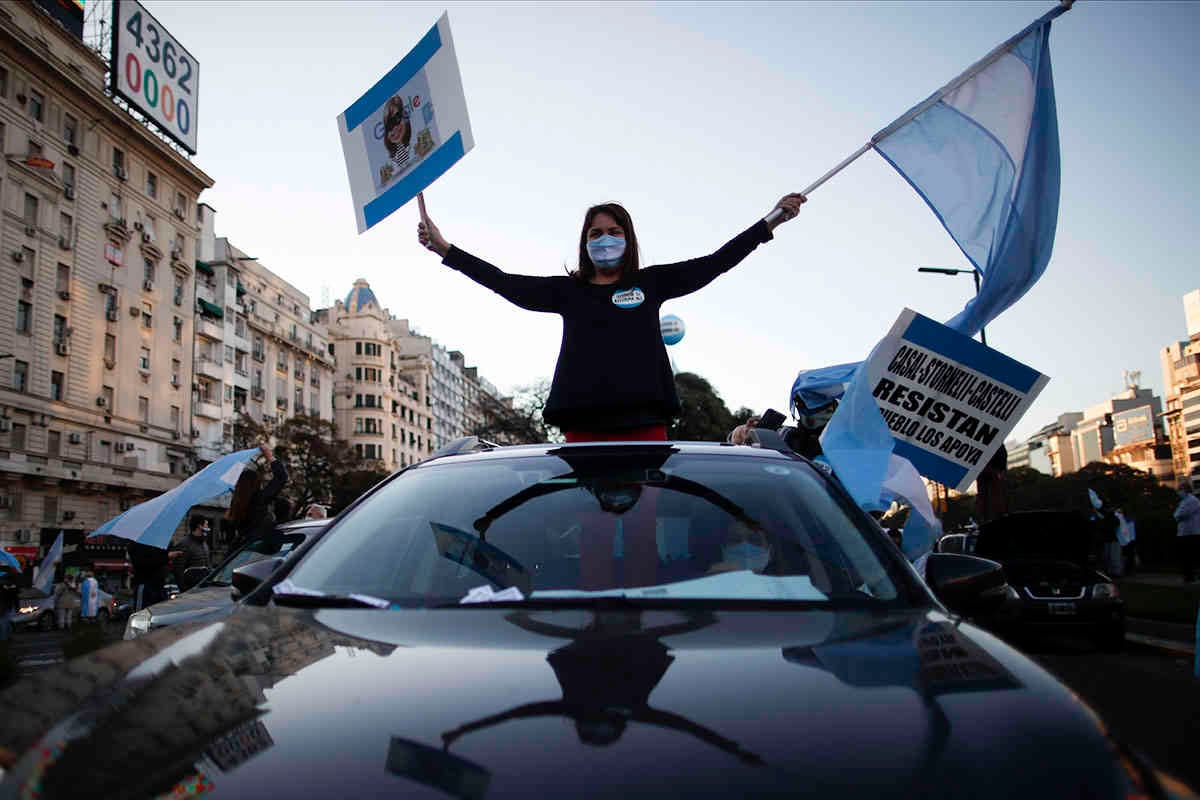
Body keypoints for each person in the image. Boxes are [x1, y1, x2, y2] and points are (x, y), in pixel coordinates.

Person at [418, 193, 807, 441]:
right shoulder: (567, 291)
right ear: (585, 243)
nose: (604, 239)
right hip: (583, 427)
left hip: (646, 423)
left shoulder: (652, 283)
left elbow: (716, 262)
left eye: (614, 231)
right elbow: (503, 281)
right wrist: (444, 249)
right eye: (595, 233)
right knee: (594, 534)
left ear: (628, 238)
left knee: (642, 530)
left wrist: (769, 221)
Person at [225, 443, 289, 550]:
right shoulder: (259, 500)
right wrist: (268, 455)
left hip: (243, 552)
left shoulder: (236, 505)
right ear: (256, 484)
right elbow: (281, 476)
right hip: (259, 553)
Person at [129, 540, 170, 611]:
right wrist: (166, 557)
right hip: (145, 584)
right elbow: (142, 563)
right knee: (141, 613)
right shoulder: (138, 545)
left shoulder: (156, 544)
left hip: (158, 584)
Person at [1173, 483, 1200, 583]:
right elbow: (1176, 514)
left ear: (1186, 490)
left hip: (1191, 532)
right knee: (1186, 556)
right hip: (1185, 532)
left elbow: (1180, 514)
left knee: (1190, 556)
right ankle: (1188, 576)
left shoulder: (1192, 501)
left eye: (1180, 489)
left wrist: (1177, 516)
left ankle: (1190, 577)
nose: (1179, 492)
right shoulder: (1184, 501)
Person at [177, 518, 211, 589]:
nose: (208, 527)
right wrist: (183, 588)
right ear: (200, 526)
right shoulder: (185, 543)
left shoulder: (204, 543)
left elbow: (207, 565)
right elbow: (178, 568)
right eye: (206, 525)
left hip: (203, 587)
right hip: (190, 587)